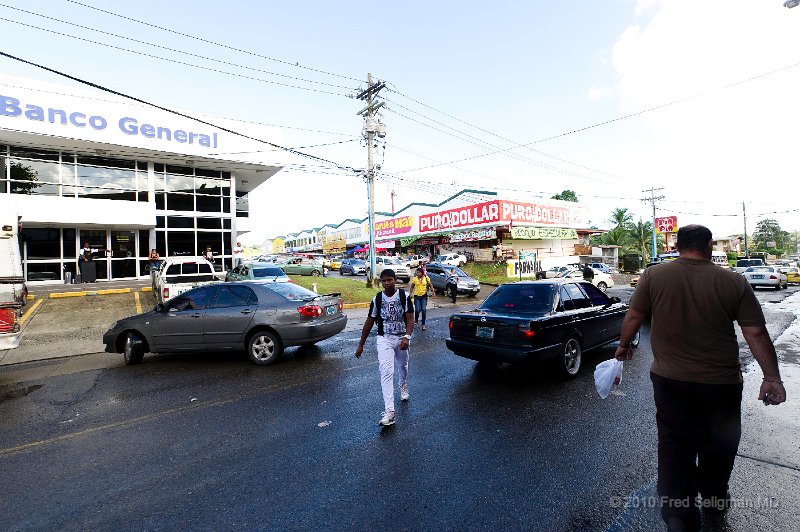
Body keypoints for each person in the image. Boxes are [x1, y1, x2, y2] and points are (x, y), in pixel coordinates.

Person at [614, 224, 786, 532]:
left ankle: (678, 515)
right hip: (721, 383)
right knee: (720, 441)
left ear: (678, 245)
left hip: (670, 381)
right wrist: (772, 377)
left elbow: (634, 316)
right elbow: (755, 332)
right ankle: (713, 497)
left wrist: (624, 345)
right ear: (708, 245)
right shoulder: (733, 281)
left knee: (674, 443)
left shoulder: (654, 276)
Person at [354, 268, 415, 426]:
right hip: (384, 339)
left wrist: (407, 337)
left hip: (402, 338)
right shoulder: (377, 299)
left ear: (395, 280)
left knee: (403, 366)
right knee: (386, 371)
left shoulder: (404, 296)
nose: (387, 283)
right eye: (384, 280)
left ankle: (403, 384)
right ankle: (390, 412)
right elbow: (369, 322)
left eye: (390, 280)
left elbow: (410, 319)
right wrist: (361, 344)